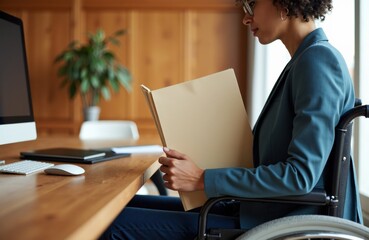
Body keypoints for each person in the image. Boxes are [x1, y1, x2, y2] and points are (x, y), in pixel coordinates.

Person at [100, 0, 363, 239]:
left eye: (251, 5)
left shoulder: (317, 61)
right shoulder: (305, 60)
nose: (246, 18)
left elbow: (300, 176)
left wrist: (202, 178)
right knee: (118, 209)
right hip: (259, 210)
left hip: (279, 222)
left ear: (283, 4)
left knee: (111, 225)